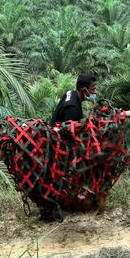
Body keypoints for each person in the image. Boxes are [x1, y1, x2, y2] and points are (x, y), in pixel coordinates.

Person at [41, 73, 98, 221]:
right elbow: (70, 134)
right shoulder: (72, 108)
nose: (94, 92)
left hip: (54, 138)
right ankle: (49, 210)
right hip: (57, 146)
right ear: (84, 90)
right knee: (58, 175)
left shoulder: (70, 93)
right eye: (92, 89)